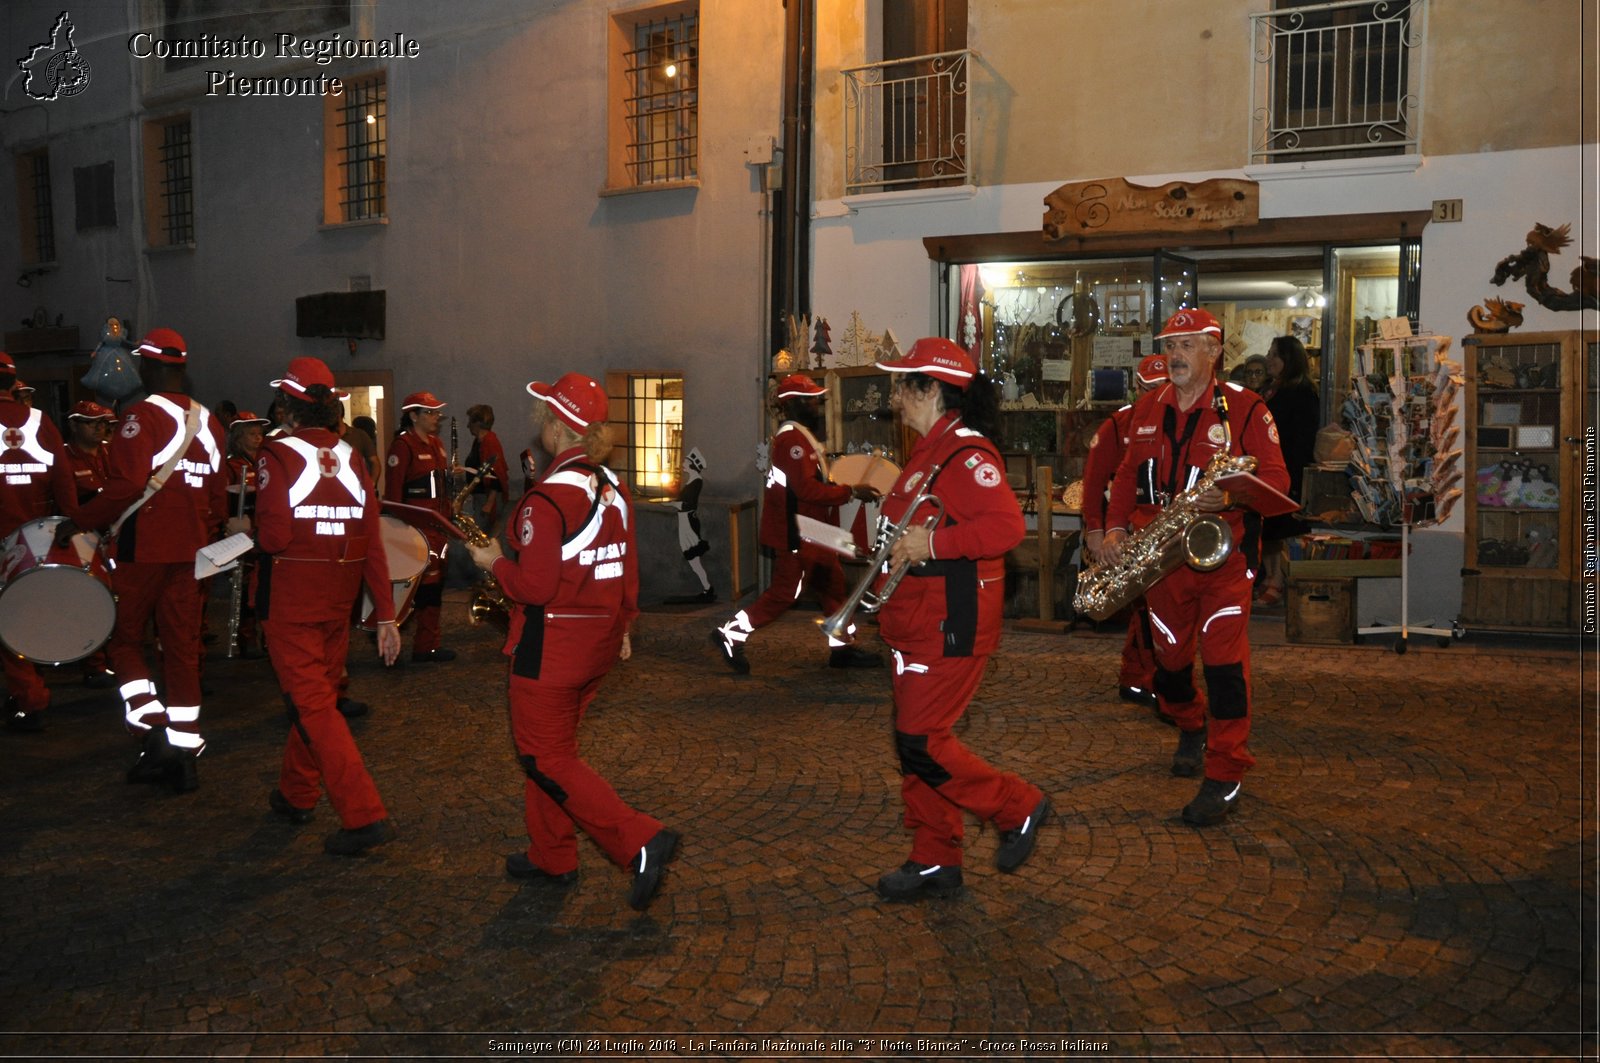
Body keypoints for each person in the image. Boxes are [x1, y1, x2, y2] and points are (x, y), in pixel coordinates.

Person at [466, 371, 678, 911]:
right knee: (551, 754)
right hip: (598, 645)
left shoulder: (546, 500)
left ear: (557, 428)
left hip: (550, 649)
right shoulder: (613, 488)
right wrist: (624, 627)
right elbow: (628, 572)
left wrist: (493, 564)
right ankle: (552, 854)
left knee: (546, 756)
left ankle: (639, 840)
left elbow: (534, 587)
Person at [867, 338, 1050, 902]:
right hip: (913, 619)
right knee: (914, 744)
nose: (894, 396)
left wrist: (933, 544)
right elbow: (906, 535)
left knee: (921, 740)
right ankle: (934, 858)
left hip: (949, 622)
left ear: (931, 389)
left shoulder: (967, 454)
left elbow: (1006, 529)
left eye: (903, 384)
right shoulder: (926, 453)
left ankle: (1017, 806)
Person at [1101, 309, 1290, 827]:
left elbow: (1277, 481)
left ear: (1213, 351)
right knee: (1171, 670)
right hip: (1162, 564)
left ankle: (1226, 773)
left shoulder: (1247, 410)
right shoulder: (1146, 408)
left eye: (1188, 345)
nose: (1176, 354)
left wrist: (1225, 498)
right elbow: (1122, 477)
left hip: (1223, 558)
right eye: (1170, 344)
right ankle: (1190, 722)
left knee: (1226, 666)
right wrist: (1115, 528)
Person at [69, 327, 229, 793]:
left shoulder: (141, 415)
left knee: (122, 640)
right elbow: (218, 499)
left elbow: (124, 487)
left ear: (153, 366)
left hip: (144, 549)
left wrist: (79, 520)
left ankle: (152, 732)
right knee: (180, 650)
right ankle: (186, 754)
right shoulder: (210, 423)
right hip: (192, 552)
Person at [253, 357, 402, 856]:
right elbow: (372, 540)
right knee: (316, 697)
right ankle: (297, 793)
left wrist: (243, 532)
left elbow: (273, 536)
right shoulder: (353, 454)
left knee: (314, 705)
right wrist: (385, 613)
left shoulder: (275, 454)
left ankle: (364, 815)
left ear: (288, 406)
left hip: (291, 600)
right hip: (339, 599)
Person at [710, 374, 880, 674]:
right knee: (786, 592)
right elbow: (807, 490)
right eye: (812, 399)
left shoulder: (798, 437)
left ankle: (842, 649)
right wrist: (850, 492)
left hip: (813, 529)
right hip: (797, 532)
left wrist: (843, 491)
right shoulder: (792, 441)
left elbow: (810, 485)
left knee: (833, 585)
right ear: (796, 404)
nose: (818, 404)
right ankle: (730, 633)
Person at [1080, 354, 1168, 717]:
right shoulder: (1117, 426)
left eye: (1162, 389)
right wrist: (1097, 533)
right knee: (1148, 608)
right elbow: (1094, 483)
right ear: (1138, 388)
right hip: (1131, 531)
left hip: (1162, 528)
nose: (1156, 396)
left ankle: (1138, 676)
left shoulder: (1183, 422)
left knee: (1151, 609)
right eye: (1149, 389)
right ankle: (1150, 679)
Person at [0, 353, 79, 731]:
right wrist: (71, 525)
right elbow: (64, 480)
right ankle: (28, 692)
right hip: (33, 537)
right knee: (22, 616)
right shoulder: (39, 420)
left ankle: (30, 698)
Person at [385, 391, 455, 663]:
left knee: (434, 589)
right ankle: (388, 639)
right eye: (430, 412)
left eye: (437, 412)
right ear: (413, 416)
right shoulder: (403, 446)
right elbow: (393, 496)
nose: (436, 416)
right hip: (414, 532)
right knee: (409, 591)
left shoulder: (436, 444)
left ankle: (427, 645)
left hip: (438, 531)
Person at [1255, 335, 1320, 607]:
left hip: (1288, 468)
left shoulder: (1302, 392)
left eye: (1275, 356)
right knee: (1268, 528)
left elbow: (1302, 437)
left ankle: (1278, 582)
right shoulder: (1272, 388)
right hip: (1268, 468)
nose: (1269, 360)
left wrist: (1291, 471)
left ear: (1289, 360)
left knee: (1283, 529)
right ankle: (1271, 578)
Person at [62, 399, 118, 688]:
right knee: (93, 598)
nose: (100, 428)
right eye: (91, 422)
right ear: (73, 425)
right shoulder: (64, 458)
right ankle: (94, 664)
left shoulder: (113, 454)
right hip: (83, 538)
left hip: (115, 535)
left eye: (103, 423)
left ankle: (114, 658)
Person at [223, 410, 271, 656]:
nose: (257, 437)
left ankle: (265, 635)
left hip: (262, 529)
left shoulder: (264, 462)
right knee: (243, 584)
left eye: (259, 433)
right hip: (241, 531)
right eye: (251, 433)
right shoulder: (232, 466)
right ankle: (247, 636)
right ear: (239, 437)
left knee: (263, 584)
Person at [664, 447, 715, 604]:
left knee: (694, 560)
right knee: (694, 560)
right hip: (685, 522)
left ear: (692, 464)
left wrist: (672, 504)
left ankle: (707, 588)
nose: (683, 463)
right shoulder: (692, 481)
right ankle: (707, 588)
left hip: (688, 523)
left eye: (686, 461)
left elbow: (688, 504)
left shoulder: (696, 482)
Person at [459, 404, 508, 536]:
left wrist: (489, 503)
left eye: (470, 421)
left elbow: (496, 474)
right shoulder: (479, 441)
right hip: (480, 497)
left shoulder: (489, 442)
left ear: (478, 423)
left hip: (487, 498)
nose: (468, 425)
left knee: (480, 536)